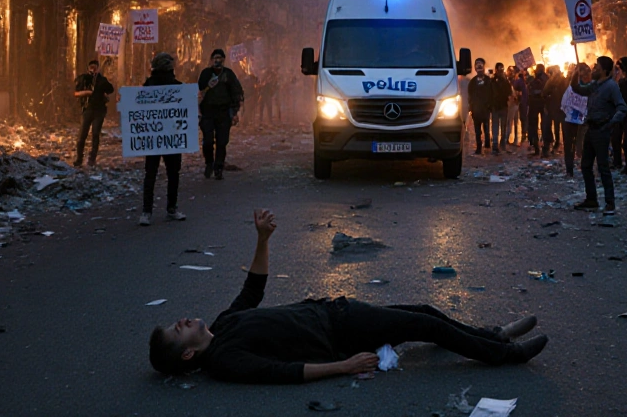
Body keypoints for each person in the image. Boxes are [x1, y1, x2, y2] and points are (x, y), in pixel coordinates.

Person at [148, 209, 549, 383]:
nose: (181, 320)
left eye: (176, 322)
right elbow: (283, 374)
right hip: (339, 333)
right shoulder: (225, 361)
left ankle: (492, 334)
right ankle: (505, 355)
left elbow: (252, 289)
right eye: (177, 331)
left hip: (334, 312)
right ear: (187, 354)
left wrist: (263, 238)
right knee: (423, 324)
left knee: (423, 313)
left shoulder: (222, 325)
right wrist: (344, 366)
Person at [570, 56, 627, 213]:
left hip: (602, 131)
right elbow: (577, 88)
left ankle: (610, 202)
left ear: (604, 70)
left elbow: (622, 108)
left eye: (596, 67)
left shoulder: (611, 87)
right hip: (591, 129)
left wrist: (610, 124)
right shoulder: (594, 85)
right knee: (586, 165)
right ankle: (591, 199)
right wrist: (576, 72)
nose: (593, 68)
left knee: (603, 168)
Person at [139, 52, 186, 226]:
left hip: (153, 136)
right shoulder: (176, 86)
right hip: (171, 137)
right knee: (173, 173)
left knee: (150, 174)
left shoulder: (148, 85)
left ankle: (146, 212)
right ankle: (171, 209)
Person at [198, 49, 245, 180]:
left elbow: (236, 92)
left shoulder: (228, 74)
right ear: (211, 60)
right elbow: (199, 90)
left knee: (222, 141)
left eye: (220, 58)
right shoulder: (205, 73)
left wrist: (235, 112)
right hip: (208, 112)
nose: (217, 61)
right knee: (207, 140)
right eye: (215, 58)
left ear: (224, 60)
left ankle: (218, 167)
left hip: (224, 112)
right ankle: (209, 163)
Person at [73, 59, 115, 167]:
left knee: (95, 134)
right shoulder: (84, 78)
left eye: (95, 67)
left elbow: (110, 89)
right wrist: (87, 92)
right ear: (88, 68)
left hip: (99, 111)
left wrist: (103, 82)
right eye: (91, 67)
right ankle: (79, 159)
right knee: (82, 135)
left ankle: (92, 159)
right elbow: (76, 93)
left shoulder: (102, 80)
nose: (93, 69)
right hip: (87, 110)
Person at [559, 63, 590, 178]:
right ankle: (576, 169)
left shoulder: (575, 86)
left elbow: (564, 102)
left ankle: (571, 170)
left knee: (572, 146)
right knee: (576, 145)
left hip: (573, 121)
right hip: (578, 121)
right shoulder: (588, 87)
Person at [467, 58, 493, 155]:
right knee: (477, 131)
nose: (479, 67)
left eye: (480, 65)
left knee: (486, 129)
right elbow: (470, 95)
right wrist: (471, 107)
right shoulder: (472, 82)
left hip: (485, 109)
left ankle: (487, 144)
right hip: (476, 110)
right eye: (477, 65)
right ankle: (479, 147)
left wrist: (490, 106)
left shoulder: (488, 81)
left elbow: (492, 93)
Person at [527, 64, 551, 156]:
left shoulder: (544, 79)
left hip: (540, 104)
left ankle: (542, 148)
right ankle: (540, 147)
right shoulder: (544, 78)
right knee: (541, 126)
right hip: (538, 104)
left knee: (542, 126)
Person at [490, 62, 512, 154]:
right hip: (496, 106)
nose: (501, 71)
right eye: (499, 69)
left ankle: (502, 143)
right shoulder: (492, 81)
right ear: (496, 70)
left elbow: (509, 91)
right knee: (495, 126)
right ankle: (495, 144)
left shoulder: (505, 80)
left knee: (503, 126)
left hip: (503, 106)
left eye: (502, 69)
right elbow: (489, 93)